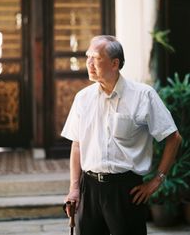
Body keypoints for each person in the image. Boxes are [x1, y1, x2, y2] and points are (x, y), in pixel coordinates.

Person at [61, 35, 182, 235]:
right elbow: (77, 145)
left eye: (96, 58)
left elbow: (173, 138)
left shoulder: (143, 95)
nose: (89, 63)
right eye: (88, 57)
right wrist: (74, 188)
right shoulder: (83, 98)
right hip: (89, 188)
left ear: (115, 63)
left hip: (125, 191)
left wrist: (156, 181)